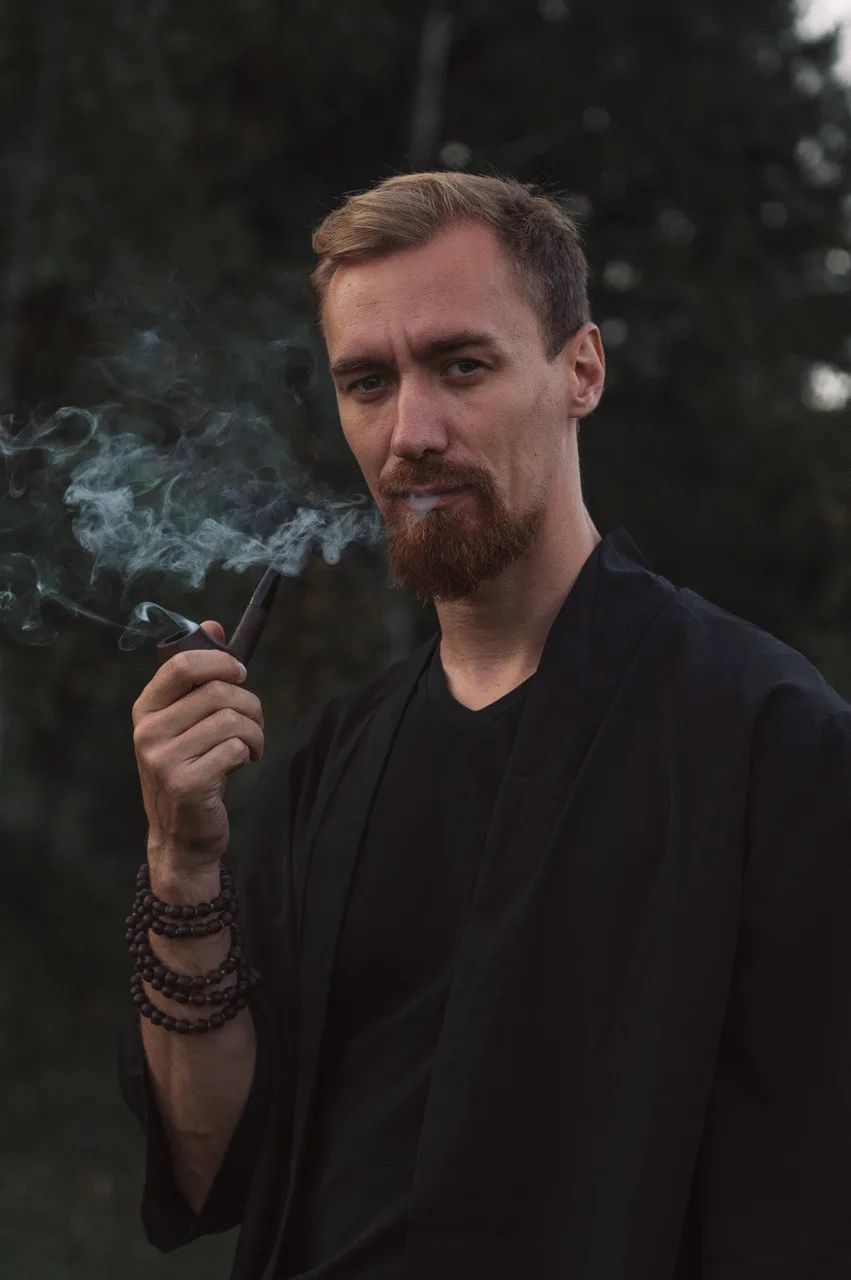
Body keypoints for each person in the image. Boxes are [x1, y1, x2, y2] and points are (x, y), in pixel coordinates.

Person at [120, 172, 851, 1280]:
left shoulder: (767, 740)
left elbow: (812, 1196)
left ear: (580, 370)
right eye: (367, 382)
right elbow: (214, 1163)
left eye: (461, 365)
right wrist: (180, 866)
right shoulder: (324, 766)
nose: (409, 432)